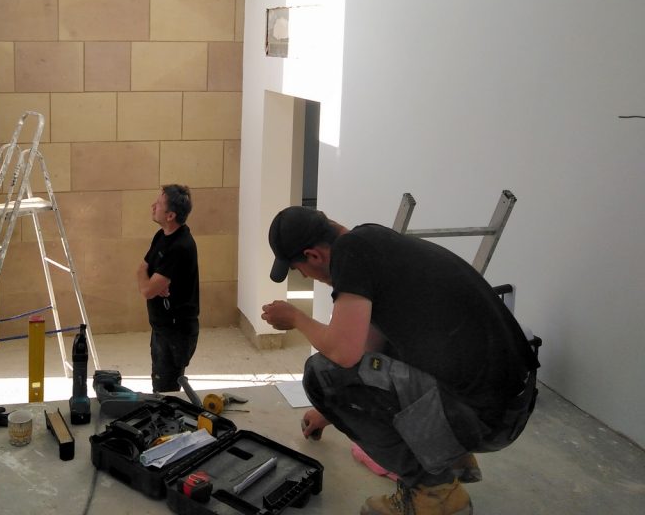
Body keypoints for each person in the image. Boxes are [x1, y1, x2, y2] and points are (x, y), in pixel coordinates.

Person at [262, 206, 539, 515]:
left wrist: (296, 318)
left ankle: (434, 493)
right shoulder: (371, 239)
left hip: (484, 417)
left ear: (313, 256)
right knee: (359, 368)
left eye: (299, 270)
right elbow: (368, 349)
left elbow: (343, 353)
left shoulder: (350, 256)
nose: (305, 276)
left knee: (321, 375)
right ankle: (449, 456)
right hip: (509, 404)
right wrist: (331, 411)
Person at [136, 185, 199, 392]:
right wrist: (153, 281)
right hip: (162, 327)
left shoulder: (180, 246)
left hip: (176, 333)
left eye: (159, 204)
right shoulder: (161, 236)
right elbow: (142, 269)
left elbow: (146, 291)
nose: (153, 206)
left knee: (166, 392)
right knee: (160, 384)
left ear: (170, 215)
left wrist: (151, 282)